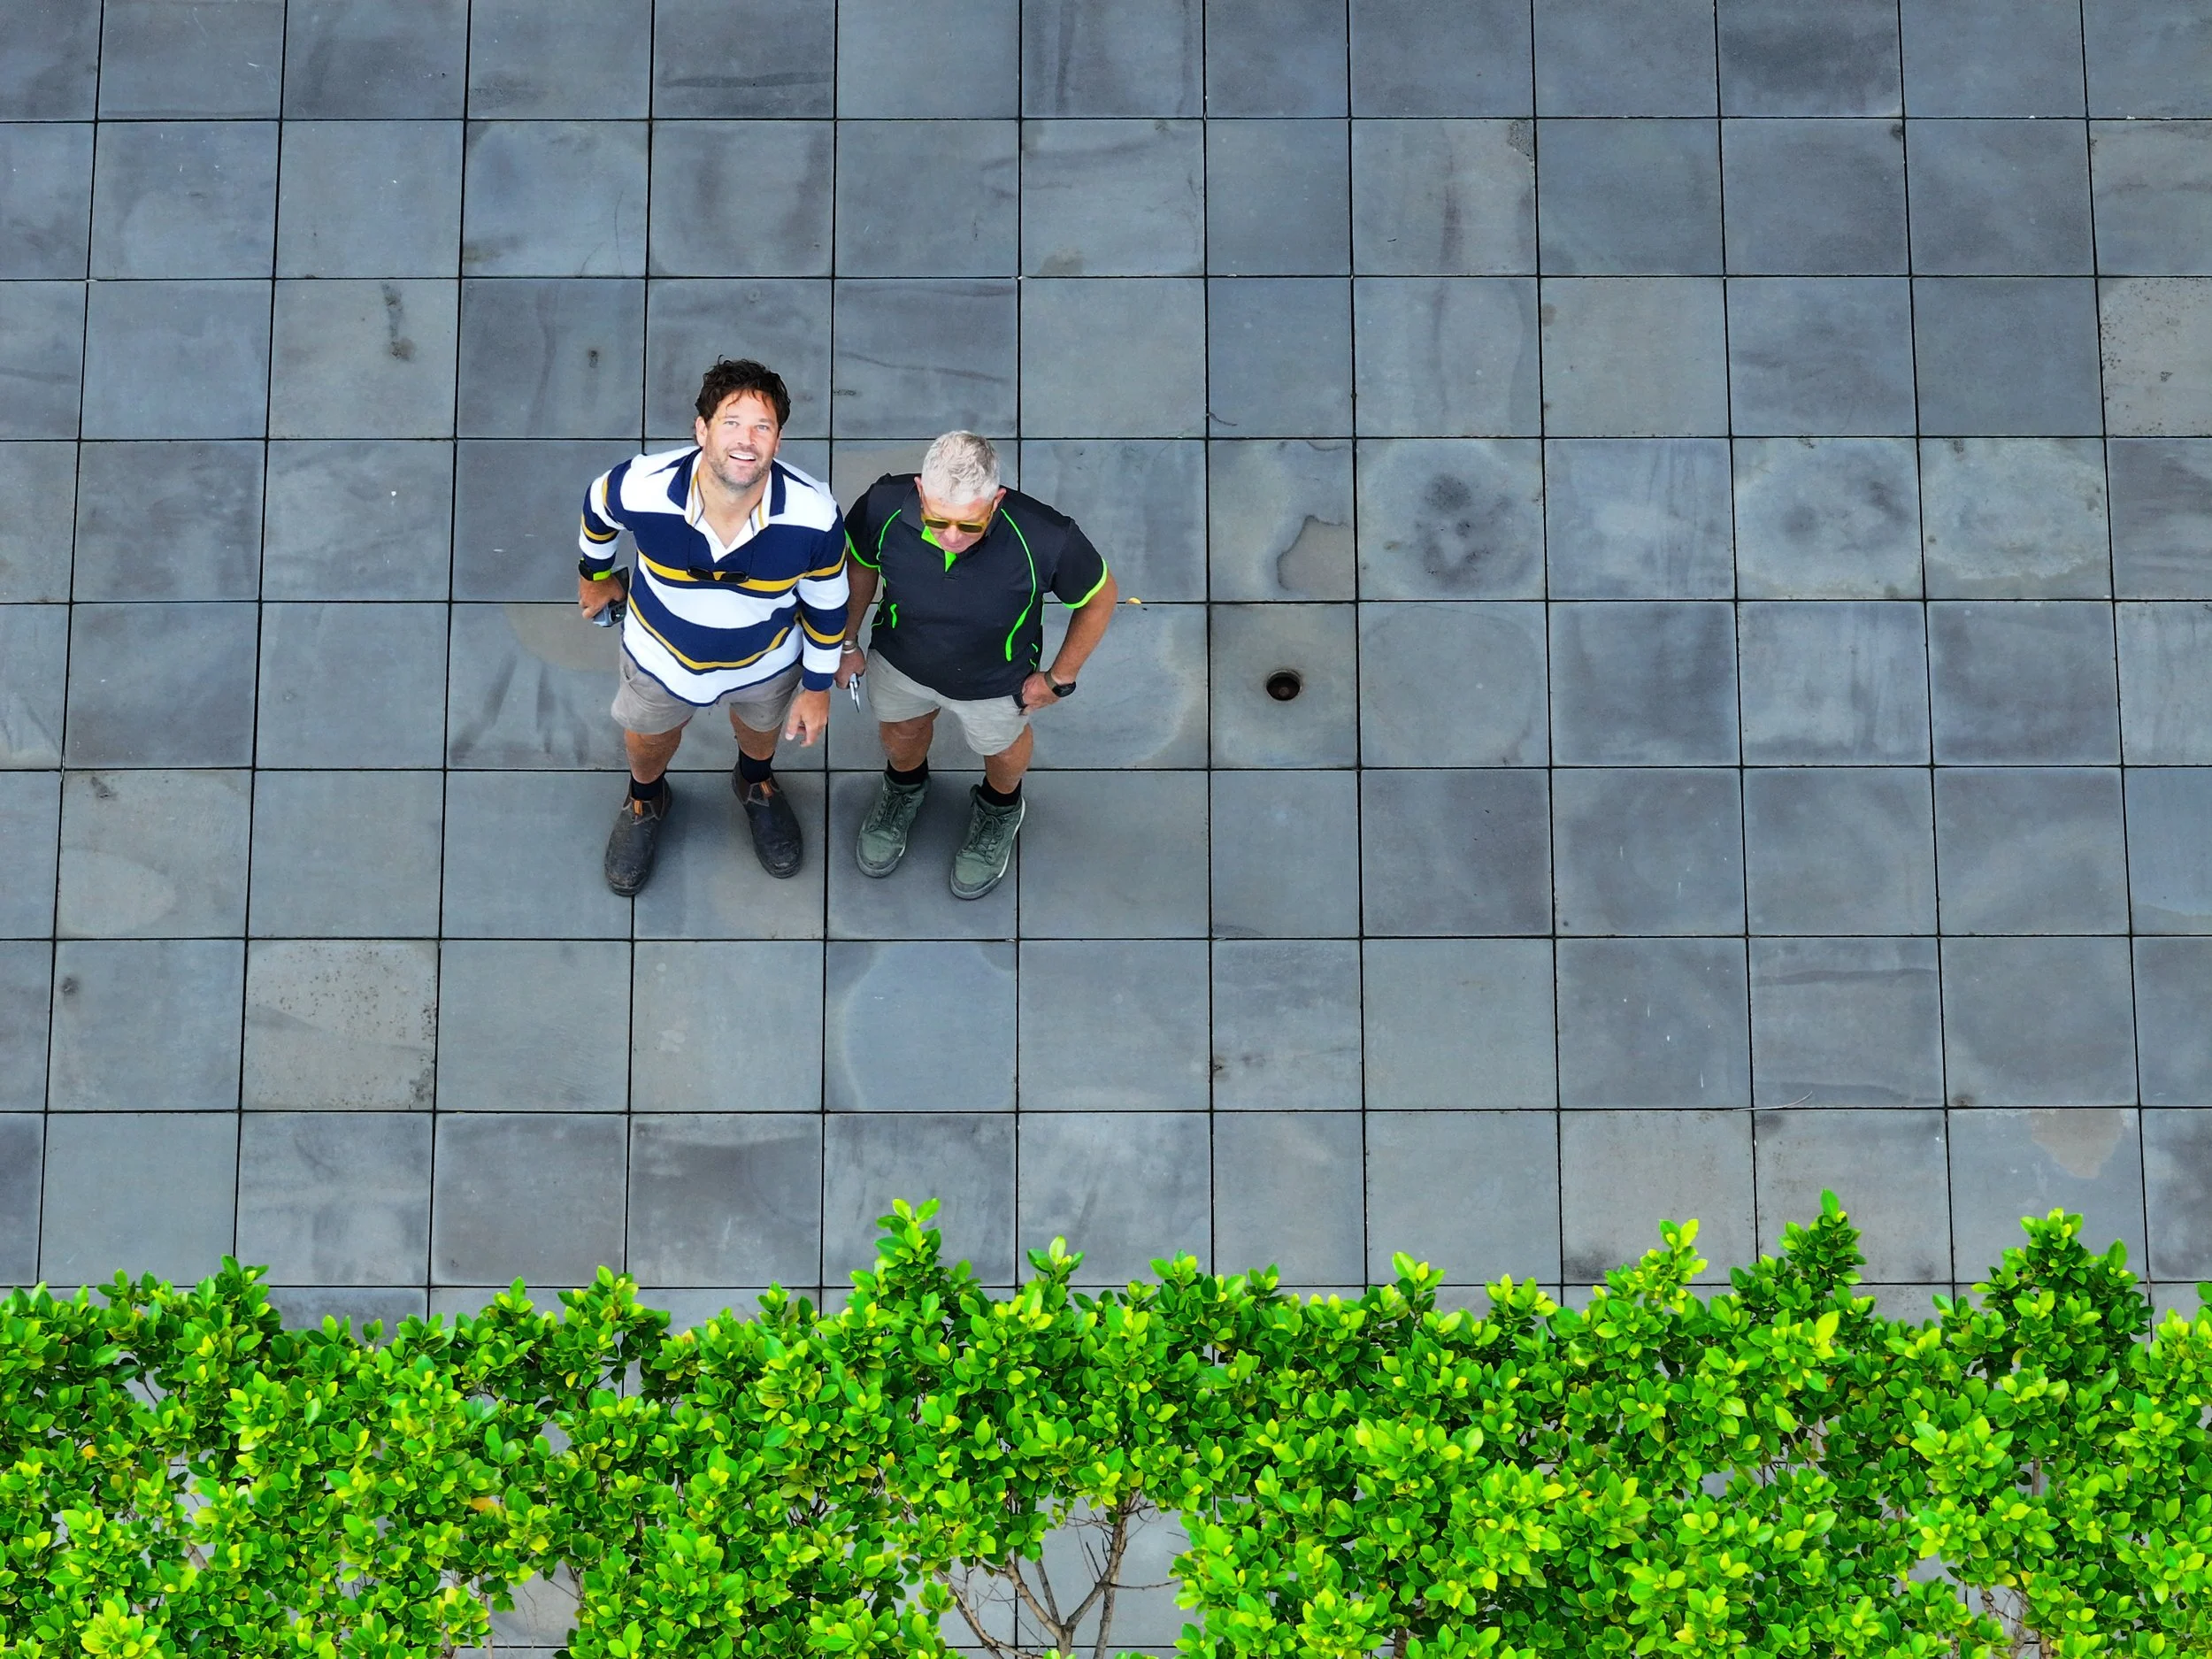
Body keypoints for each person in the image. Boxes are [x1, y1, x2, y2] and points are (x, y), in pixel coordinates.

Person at [578, 358, 847, 895]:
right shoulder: (642, 486)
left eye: (762, 426)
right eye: (731, 422)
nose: (746, 440)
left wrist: (816, 688)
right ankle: (646, 798)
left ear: (778, 439)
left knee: (760, 734)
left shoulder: (814, 514)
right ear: (702, 429)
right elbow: (598, 507)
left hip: (765, 661)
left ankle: (754, 783)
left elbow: (827, 605)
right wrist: (594, 576)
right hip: (660, 656)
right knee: (647, 741)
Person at [835, 431, 1117, 899]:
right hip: (902, 661)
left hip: (996, 681)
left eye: (969, 526)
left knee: (1002, 751)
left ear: (996, 501)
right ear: (922, 492)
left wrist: (1058, 679)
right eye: (936, 521)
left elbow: (1100, 598)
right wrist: (847, 643)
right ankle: (904, 789)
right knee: (901, 734)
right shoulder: (882, 505)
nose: (951, 538)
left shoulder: (1047, 538)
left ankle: (1000, 809)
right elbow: (861, 565)